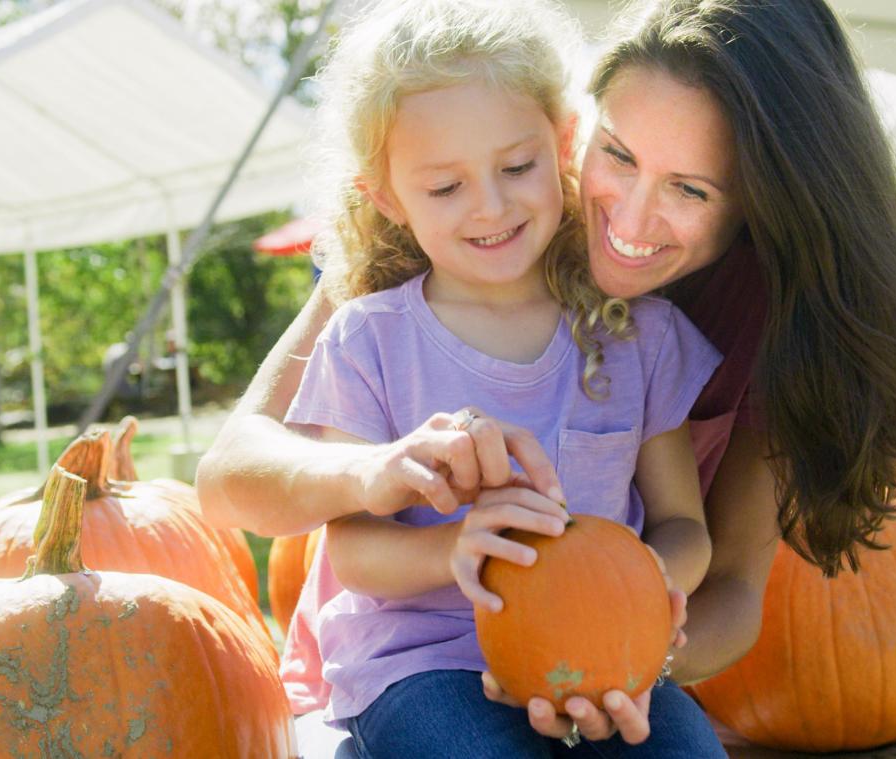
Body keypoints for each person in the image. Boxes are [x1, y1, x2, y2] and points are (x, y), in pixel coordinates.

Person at [198, 0, 896, 746]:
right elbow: (235, 479)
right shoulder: (405, 278)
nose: (628, 222)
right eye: (621, 155)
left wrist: (613, 655)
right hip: (413, 665)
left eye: (690, 189)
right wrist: (380, 472)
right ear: (583, 133)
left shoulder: (700, 328)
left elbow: (724, 576)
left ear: (764, 205)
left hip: (617, 664)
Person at [270, 1, 727, 755]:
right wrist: (452, 550)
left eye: (516, 167)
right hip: (425, 664)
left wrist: (638, 585)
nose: (490, 205)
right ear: (386, 196)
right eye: (445, 188)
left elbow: (685, 527)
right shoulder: (367, 339)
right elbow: (351, 549)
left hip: (606, 654)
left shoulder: (637, 332)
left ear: (564, 143)